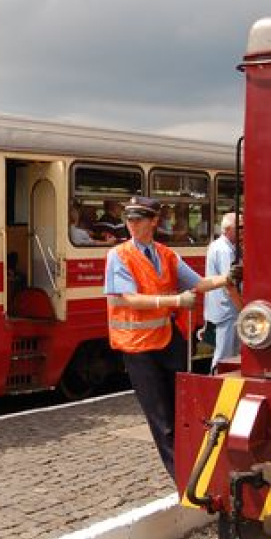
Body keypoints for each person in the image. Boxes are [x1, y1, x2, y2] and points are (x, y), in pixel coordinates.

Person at [104, 195, 240, 480]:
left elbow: (199, 283)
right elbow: (126, 298)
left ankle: (196, 467)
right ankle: (183, 478)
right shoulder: (119, 255)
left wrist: (227, 278)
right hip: (138, 347)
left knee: (183, 410)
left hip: (166, 340)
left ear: (154, 221)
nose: (132, 224)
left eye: (138, 219)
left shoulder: (166, 255)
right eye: (129, 219)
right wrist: (175, 301)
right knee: (162, 420)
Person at [204, 212, 244, 374]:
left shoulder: (218, 246)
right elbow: (229, 284)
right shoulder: (225, 251)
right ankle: (215, 382)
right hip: (228, 310)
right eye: (240, 227)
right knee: (225, 356)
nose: (243, 230)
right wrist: (242, 308)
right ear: (227, 229)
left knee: (226, 353)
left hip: (222, 309)